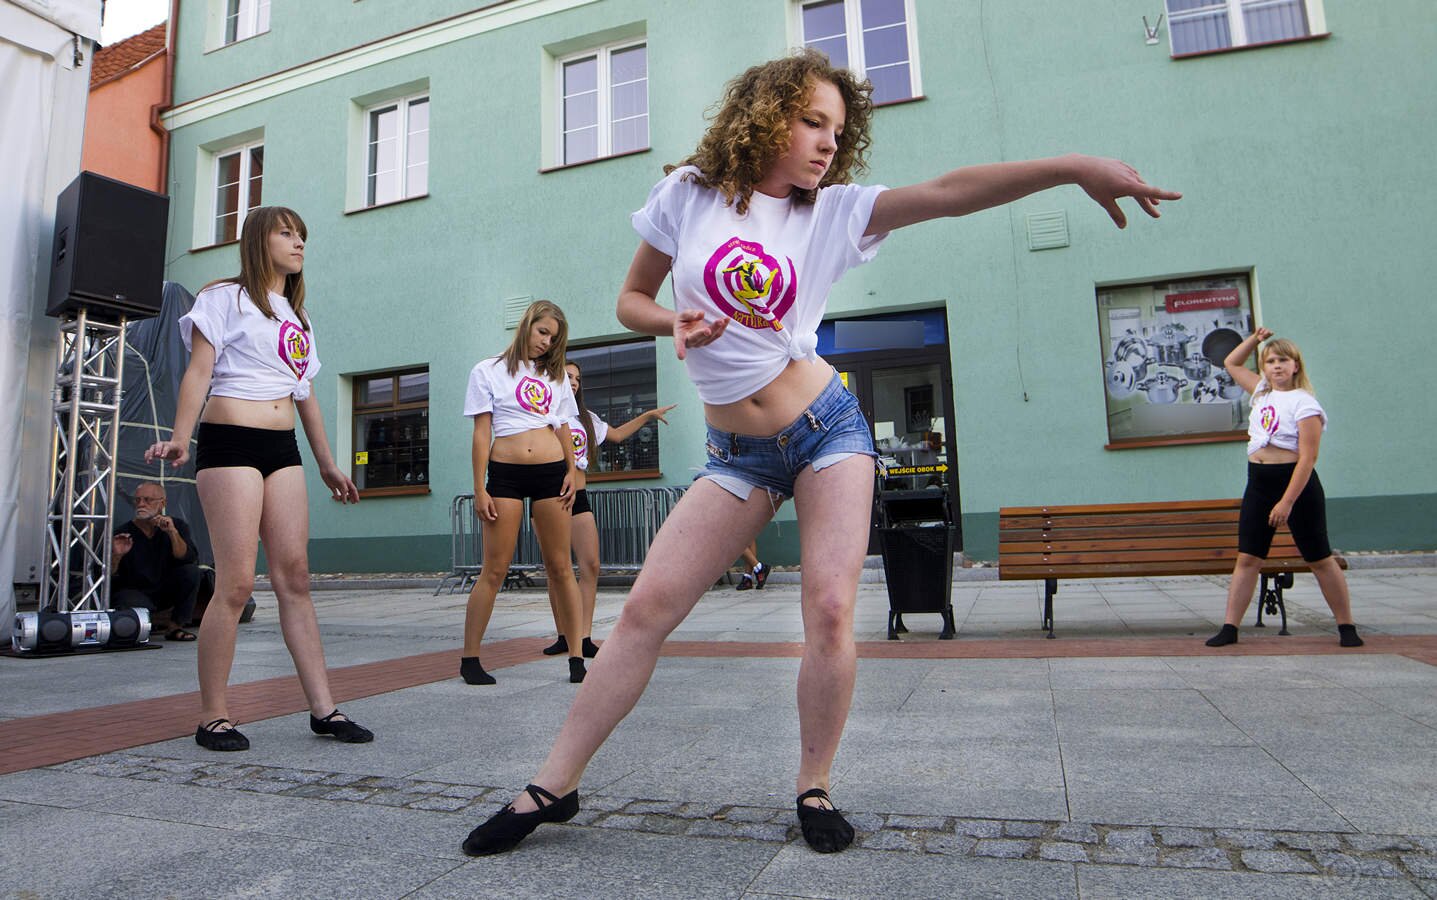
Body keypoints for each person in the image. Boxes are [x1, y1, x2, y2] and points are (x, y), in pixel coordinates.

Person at [462, 49, 1179, 857]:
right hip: (734, 453)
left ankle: (814, 783)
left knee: (830, 609)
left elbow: (949, 192)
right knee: (643, 613)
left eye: (837, 129)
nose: (827, 141)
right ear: (764, 117)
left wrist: (1071, 167)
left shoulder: (833, 213)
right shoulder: (688, 193)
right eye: (811, 121)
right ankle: (552, 784)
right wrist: (674, 323)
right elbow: (630, 300)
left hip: (825, 429)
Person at [145, 206, 374, 752]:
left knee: (296, 578)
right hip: (230, 443)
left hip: (282, 448)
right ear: (258, 240)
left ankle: (325, 709)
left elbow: (306, 396)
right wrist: (181, 436)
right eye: (286, 233)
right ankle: (213, 716)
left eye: (302, 235)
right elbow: (199, 371)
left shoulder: (298, 317)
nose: (299, 243)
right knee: (237, 583)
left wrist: (327, 463)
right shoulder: (223, 297)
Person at [1205, 328, 1362, 648]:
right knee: (1248, 557)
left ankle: (1346, 626)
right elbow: (1231, 363)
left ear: (1295, 366)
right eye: (1270, 361)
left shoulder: (1305, 403)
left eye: (1283, 360)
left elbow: (1308, 458)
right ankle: (1230, 628)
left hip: (1296, 483)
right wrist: (1254, 340)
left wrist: (1287, 502)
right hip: (1259, 482)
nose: (1276, 366)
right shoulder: (1261, 392)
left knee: (1319, 558)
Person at [461, 300, 587, 686]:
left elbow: (563, 426)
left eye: (553, 338)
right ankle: (470, 659)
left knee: (560, 566)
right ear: (527, 325)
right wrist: (479, 488)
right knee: (494, 569)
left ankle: (577, 658)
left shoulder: (556, 376)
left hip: (552, 474)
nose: (546, 342)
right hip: (506, 475)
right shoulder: (487, 370)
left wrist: (572, 471)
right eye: (542, 332)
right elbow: (482, 432)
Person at [540, 359, 676, 659]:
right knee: (557, 568)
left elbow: (616, 435)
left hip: (579, 496)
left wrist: (648, 415)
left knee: (591, 565)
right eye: (568, 376)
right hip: (550, 496)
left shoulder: (585, 417)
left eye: (577, 378)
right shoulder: (544, 412)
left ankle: (584, 636)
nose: (573, 382)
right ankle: (563, 635)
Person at [110, 481, 201, 641]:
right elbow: (108, 575)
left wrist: (172, 532)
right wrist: (117, 555)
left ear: (162, 503)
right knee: (133, 602)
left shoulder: (176, 525)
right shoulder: (122, 532)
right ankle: (146, 624)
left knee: (192, 572)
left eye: (147, 500)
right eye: (137, 500)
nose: (141, 504)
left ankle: (175, 627)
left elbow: (186, 557)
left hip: (163, 588)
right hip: (134, 590)